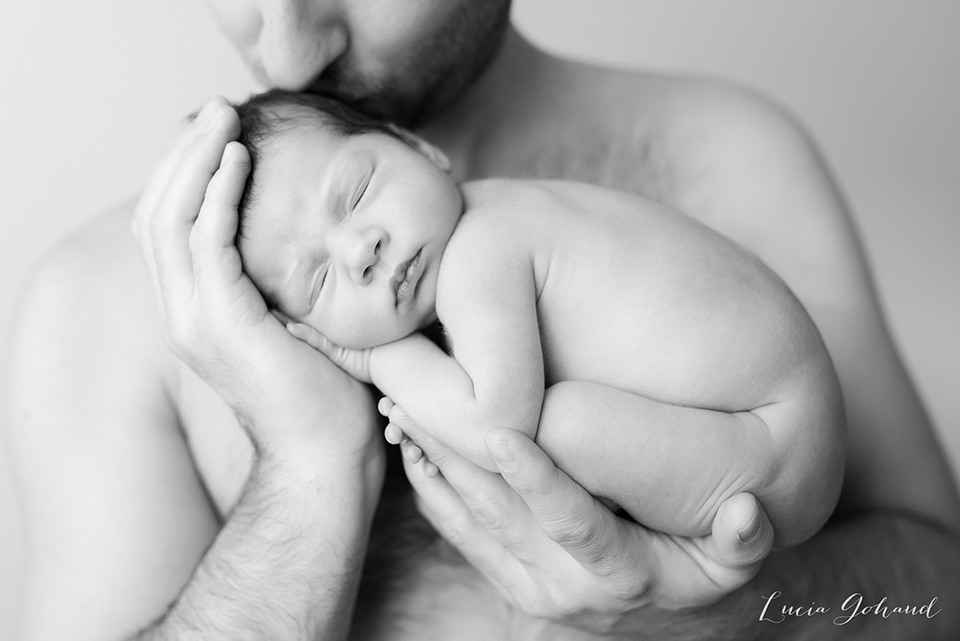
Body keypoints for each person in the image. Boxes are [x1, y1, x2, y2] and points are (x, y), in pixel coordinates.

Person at [5, 1, 959, 639]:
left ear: (415, 155)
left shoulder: (730, 152)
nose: (290, 47)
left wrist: (734, 611)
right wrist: (308, 471)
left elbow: (938, 589)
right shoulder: (101, 304)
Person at [231, 89, 845, 546]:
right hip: (791, 410)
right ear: (301, 332)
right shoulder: (512, 202)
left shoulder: (481, 248)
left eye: (358, 191)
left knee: (548, 431)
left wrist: (374, 356)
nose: (359, 250)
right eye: (318, 280)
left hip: (771, 451)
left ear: (419, 147)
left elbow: (496, 427)